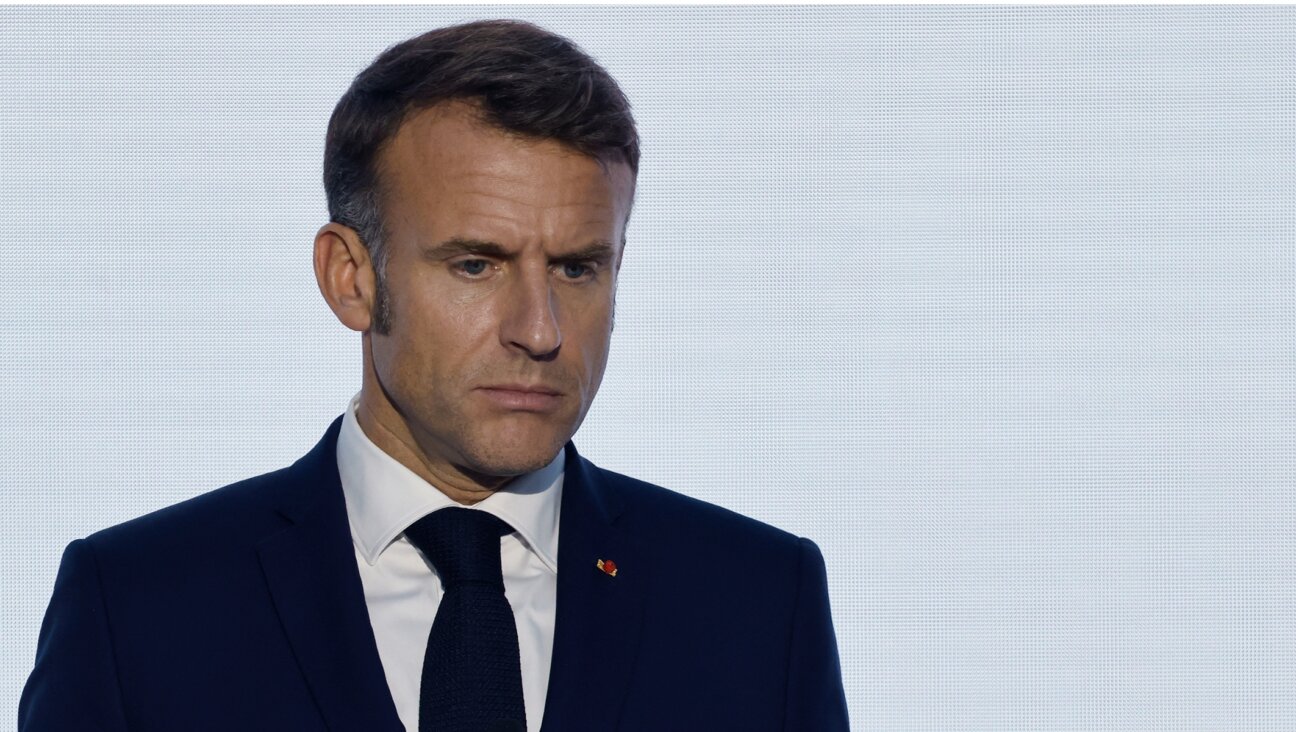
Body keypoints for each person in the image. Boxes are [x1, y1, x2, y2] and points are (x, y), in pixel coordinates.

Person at [19, 19, 849, 732]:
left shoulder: (756, 604)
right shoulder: (139, 608)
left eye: (577, 268)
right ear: (351, 277)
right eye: (476, 266)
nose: (539, 330)